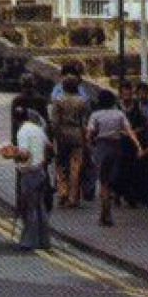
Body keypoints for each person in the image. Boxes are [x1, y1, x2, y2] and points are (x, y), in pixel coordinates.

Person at [87, 90, 142, 227]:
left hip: (101, 147)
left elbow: (90, 133)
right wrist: (139, 146)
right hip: (116, 148)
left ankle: (105, 214)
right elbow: (129, 131)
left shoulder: (96, 115)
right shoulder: (119, 114)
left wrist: (90, 145)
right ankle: (107, 215)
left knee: (103, 181)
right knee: (110, 182)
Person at [2, 109, 51, 250]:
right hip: (41, 171)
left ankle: (28, 242)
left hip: (29, 173)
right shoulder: (38, 129)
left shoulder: (22, 131)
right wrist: (40, 157)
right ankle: (44, 241)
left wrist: (11, 154)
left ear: (16, 120)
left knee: (29, 208)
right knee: (40, 207)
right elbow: (49, 146)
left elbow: (24, 154)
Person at [49, 73, 91, 208]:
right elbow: (84, 123)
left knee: (61, 165)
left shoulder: (58, 101)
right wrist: (85, 138)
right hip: (77, 135)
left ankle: (62, 192)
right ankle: (73, 197)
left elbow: (54, 122)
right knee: (75, 167)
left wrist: (54, 136)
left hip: (62, 135)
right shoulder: (82, 102)